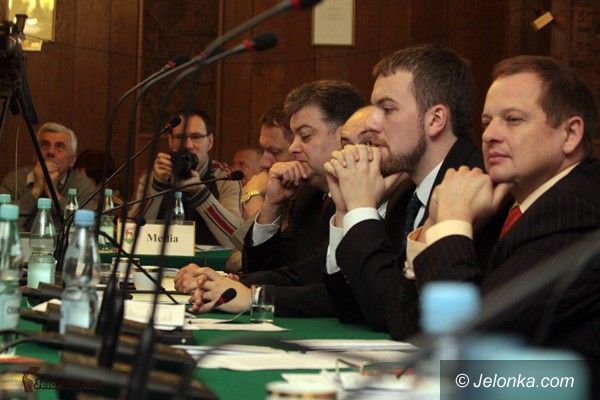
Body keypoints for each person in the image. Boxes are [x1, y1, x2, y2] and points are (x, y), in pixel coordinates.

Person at [409, 55, 600, 360]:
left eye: (512, 120)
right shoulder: (504, 203)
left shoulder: (577, 210)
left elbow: (469, 337)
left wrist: (452, 221)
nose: (489, 135)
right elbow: (406, 322)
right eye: (486, 123)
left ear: (570, 134)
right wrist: (435, 221)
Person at [323, 44, 489, 336]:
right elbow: (352, 308)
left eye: (387, 109)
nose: (371, 124)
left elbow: (396, 314)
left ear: (435, 119)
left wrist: (362, 209)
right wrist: (345, 211)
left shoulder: (472, 187)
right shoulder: (405, 197)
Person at [175, 80, 365, 316]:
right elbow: (291, 271)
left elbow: (337, 291)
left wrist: (251, 293)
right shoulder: (309, 195)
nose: (294, 148)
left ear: (344, 136)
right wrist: (271, 207)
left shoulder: (367, 198)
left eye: (305, 136)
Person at [131, 108, 242, 246]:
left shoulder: (225, 178)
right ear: (171, 141)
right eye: (181, 137)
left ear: (210, 142)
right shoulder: (152, 177)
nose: (188, 145)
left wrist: (199, 192)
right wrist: (158, 186)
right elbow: (130, 235)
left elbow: (236, 240)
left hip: (208, 260)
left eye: (196, 137)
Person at [0, 122, 96, 230]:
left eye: (59, 147)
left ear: (72, 161)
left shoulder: (83, 186)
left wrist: (52, 192)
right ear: (35, 154)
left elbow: (87, 229)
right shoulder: (15, 179)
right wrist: (35, 190)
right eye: (44, 145)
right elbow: (3, 227)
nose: (50, 152)